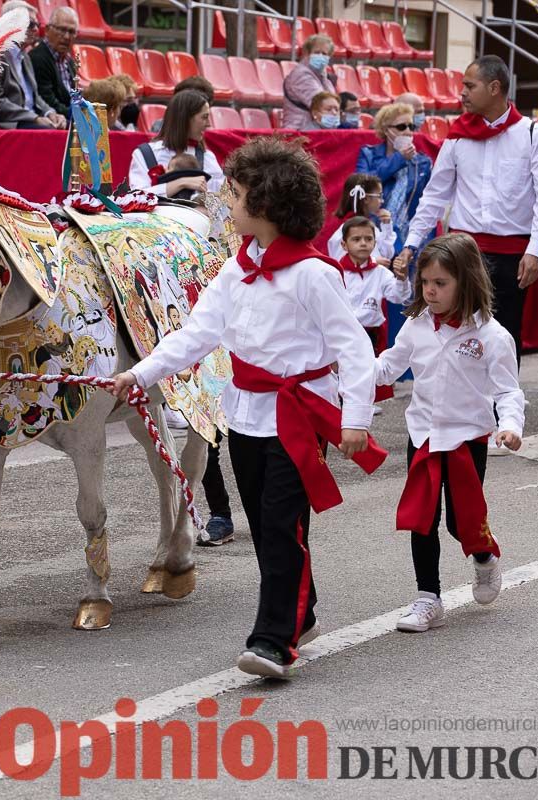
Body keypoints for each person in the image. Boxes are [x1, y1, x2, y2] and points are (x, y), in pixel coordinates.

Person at [112, 136, 384, 678]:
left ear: (265, 204)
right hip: (246, 414)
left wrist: (356, 417)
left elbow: (354, 349)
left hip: (300, 415)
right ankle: (299, 611)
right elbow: (195, 334)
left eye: (233, 195)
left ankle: (272, 641)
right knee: (264, 524)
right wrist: (139, 374)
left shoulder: (314, 274)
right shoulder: (235, 270)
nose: (226, 204)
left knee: (283, 523)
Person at [375, 234, 523, 633]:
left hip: (466, 440)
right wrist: (349, 373)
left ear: (466, 281)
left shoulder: (492, 336)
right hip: (423, 434)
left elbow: (508, 389)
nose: (430, 291)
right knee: (422, 518)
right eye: (425, 283)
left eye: (440, 283)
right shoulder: (415, 326)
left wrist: (510, 426)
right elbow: (388, 367)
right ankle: (428, 597)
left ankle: (485, 557)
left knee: (462, 521)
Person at [396, 55, 538, 383]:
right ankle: (456, 410)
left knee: (502, 336)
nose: (462, 93)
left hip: (512, 254)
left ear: (495, 87)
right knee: (455, 333)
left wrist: (535, 249)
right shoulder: (456, 137)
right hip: (462, 253)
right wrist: (412, 243)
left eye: (470, 86)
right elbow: (435, 194)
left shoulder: (532, 134)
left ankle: (503, 416)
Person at [356, 102, 434, 250]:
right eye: (401, 127)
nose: (407, 132)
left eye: (411, 126)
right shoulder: (368, 154)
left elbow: (429, 203)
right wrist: (399, 158)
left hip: (410, 236)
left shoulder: (422, 162)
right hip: (375, 232)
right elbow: (361, 186)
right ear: (386, 130)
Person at [0, 1, 63, 130]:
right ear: (10, 24)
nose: (36, 29)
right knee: (49, 131)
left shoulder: (26, 57)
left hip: (27, 120)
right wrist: (34, 118)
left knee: (66, 127)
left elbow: (35, 98)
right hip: (8, 124)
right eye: (30, 24)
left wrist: (51, 113)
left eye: (37, 25)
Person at [337, 216, 411, 359]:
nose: (363, 243)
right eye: (356, 239)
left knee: (370, 376)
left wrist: (401, 278)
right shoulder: (337, 272)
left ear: (375, 243)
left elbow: (398, 296)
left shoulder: (381, 272)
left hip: (372, 335)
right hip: (343, 334)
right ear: (344, 245)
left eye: (368, 239)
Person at [128, 90, 223, 196]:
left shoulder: (207, 157)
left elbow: (223, 204)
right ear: (185, 119)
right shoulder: (145, 154)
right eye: (204, 117)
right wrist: (181, 183)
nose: (209, 124)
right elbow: (136, 197)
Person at [323, 173, 396, 262]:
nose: (382, 201)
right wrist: (373, 262)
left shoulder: (371, 227)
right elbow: (341, 263)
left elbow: (386, 254)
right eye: (379, 196)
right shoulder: (344, 231)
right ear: (365, 199)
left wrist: (387, 227)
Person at [29, 5, 78, 119]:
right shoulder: (38, 58)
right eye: (62, 30)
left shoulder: (69, 61)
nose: (66, 36)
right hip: (53, 119)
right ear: (47, 30)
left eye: (71, 32)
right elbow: (47, 100)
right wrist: (77, 117)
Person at [282, 34, 336, 131]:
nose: (321, 56)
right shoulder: (300, 75)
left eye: (324, 54)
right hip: (298, 131)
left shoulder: (323, 76)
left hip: (314, 130)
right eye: (317, 52)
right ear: (307, 53)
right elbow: (322, 104)